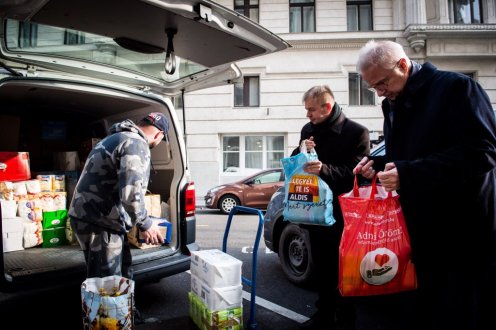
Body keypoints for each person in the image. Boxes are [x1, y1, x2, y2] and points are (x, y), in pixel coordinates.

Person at [353, 40, 496, 330]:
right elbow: (406, 154)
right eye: (374, 87)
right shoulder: (392, 101)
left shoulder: (457, 88)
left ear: (403, 65)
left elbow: (483, 152)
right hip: (421, 230)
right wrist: (378, 167)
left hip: (462, 233)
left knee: (460, 313)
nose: (380, 92)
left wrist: (408, 173)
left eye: (382, 82)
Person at [295, 85, 370, 330]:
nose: (308, 115)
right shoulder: (308, 129)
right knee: (322, 269)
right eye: (307, 111)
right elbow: (299, 160)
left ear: (327, 107)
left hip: (344, 215)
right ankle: (323, 316)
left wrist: (324, 169)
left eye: (311, 110)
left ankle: (347, 320)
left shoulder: (357, 132)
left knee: (345, 270)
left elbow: (359, 175)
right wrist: (302, 149)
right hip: (314, 211)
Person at [69, 112, 167, 280]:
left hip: (96, 216)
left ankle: (125, 306)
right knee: (107, 281)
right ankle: (109, 307)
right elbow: (131, 193)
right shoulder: (136, 143)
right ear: (159, 134)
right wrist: (146, 224)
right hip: (98, 219)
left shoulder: (118, 137)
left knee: (121, 271)